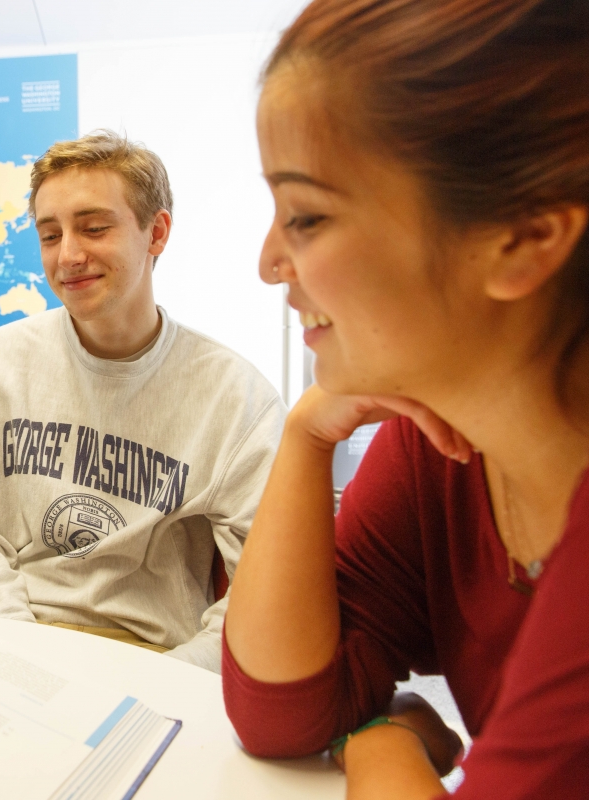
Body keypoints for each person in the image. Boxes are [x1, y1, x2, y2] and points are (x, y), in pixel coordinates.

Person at [222, 0, 589, 797]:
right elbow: (282, 712)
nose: (269, 261)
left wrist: (382, 742)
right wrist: (306, 435)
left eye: (306, 215)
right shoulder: (441, 446)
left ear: (522, 239)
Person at [0, 131, 285, 671]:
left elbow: (269, 586)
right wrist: (19, 658)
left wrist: (173, 681)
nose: (68, 256)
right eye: (50, 235)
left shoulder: (235, 397)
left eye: (94, 228)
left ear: (156, 232)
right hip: (10, 642)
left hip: (156, 661)